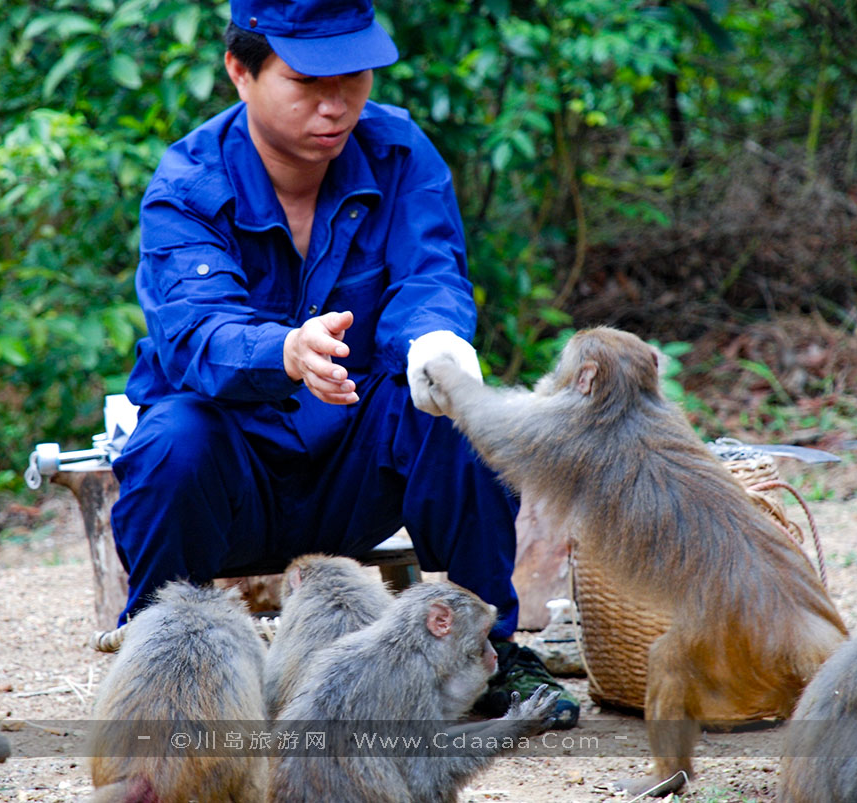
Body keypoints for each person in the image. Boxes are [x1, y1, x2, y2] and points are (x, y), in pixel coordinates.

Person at [110, 0, 578, 728]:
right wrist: (285, 351)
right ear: (241, 69)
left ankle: (494, 654)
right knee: (173, 438)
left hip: (358, 465)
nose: (335, 106)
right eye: (306, 81)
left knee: (463, 411)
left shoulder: (398, 153)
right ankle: (163, 659)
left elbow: (430, 276)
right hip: (233, 476)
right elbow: (196, 334)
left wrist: (436, 344)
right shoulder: (186, 184)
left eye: (352, 77)